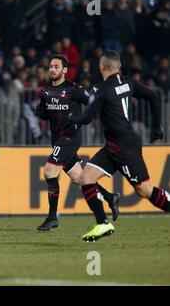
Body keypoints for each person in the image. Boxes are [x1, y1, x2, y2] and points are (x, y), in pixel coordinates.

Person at [69, 50, 167, 242]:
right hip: (115, 145)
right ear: (119, 67)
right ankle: (103, 224)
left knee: (144, 190)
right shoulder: (128, 82)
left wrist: (71, 118)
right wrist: (156, 127)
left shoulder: (103, 89)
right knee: (84, 177)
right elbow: (154, 96)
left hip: (125, 147)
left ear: (101, 66)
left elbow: (87, 118)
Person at [34, 55, 120, 231]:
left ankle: (52, 217)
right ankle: (110, 198)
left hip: (69, 139)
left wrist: (78, 122)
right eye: (50, 66)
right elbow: (46, 113)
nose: (52, 70)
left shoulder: (74, 89)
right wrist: (39, 111)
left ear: (65, 70)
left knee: (49, 172)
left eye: (56, 67)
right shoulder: (46, 91)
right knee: (80, 178)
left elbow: (92, 105)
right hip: (57, 140)